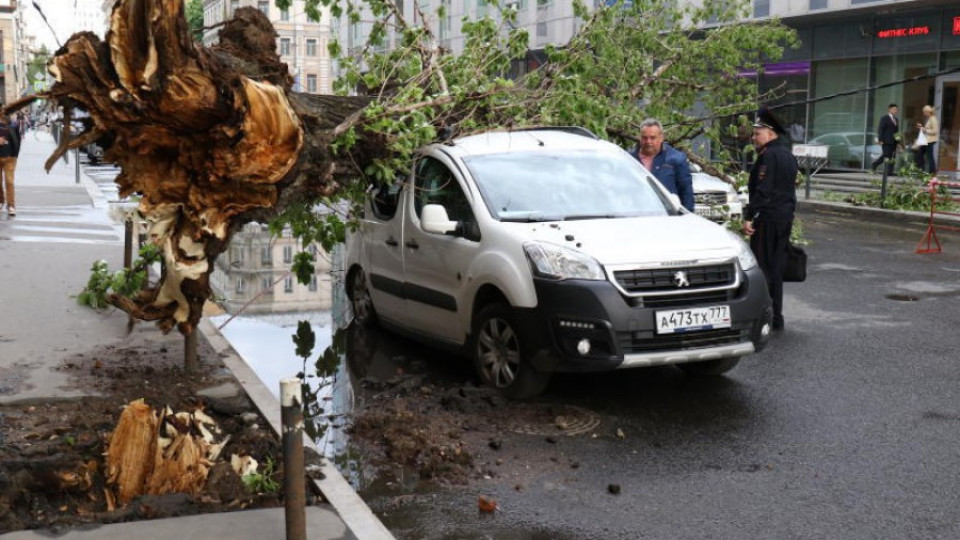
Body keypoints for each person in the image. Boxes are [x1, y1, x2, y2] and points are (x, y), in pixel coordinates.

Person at [742, 106, 797, 332]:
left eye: (758, 133)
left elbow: (763, 191)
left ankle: (765, 316)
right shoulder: (788, 155)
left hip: (768, 219)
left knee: (763, 269)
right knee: (776, 268)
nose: (754, 137)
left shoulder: (769, 156)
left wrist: (749, 218)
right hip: (784, 218)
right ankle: (777, 317)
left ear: (771, 133)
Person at [630, 118, 695, 212]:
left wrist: (686, 220)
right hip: (635, 215)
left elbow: (686, 194)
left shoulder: (676, 159)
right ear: (640, 138)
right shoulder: (629, 159)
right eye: (645, 137)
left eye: (652, 138)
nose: (648, 142)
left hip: (666, 217)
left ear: (661, 138)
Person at [0, 115, 21, 217]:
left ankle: (11, 206)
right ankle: (0, 200)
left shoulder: (13, 124)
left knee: (9, 181)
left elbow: (18, 139)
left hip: (10, 158)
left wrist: (15, 155)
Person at [871, 103, 899, 175]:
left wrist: (898, 142)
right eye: (894, 109)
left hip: (894, 141)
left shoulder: (896, 119)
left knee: (892, 157)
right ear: (890, 109)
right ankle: (874, 164)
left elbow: (896, 132)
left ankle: (890, 172)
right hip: (886, 141)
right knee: (886, 155)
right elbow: (881, 129)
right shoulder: (884, 118)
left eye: (896, 109)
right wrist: (880, 140)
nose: (896, 110)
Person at [914, 105, 938, 174]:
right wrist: (921, 127)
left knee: (929, 156)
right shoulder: (930, 118)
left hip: (930, 141)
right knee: (920, 155)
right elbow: (928, 129)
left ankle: (931, 172)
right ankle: (922, 170)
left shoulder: (933, 119)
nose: (923, 113)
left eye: (924, 112)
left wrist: (924, 129)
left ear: (927, 112)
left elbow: (935, 131)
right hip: (927, 140)